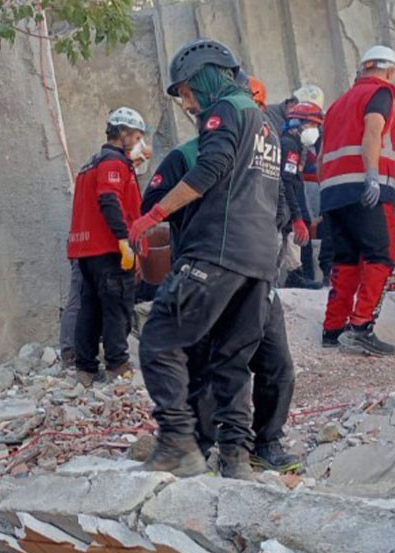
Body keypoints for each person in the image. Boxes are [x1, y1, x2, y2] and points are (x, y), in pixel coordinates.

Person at [130, 38, 282, 479]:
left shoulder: (226, 112)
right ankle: (235, 458)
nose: (189, 103)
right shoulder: (265, 122)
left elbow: (209, 169)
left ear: (207, 76)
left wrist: (155, 215)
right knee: (232, 360)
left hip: (216, 250)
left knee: (160, 338)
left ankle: (177, 442)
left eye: (188, 91)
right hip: (257, 262)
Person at [142, 135, 299, 474]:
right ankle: (200, 445)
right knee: (212, 365)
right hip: (207, 273)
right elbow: (152, 202)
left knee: (277, 365)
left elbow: (283, 211)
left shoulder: (264, 161)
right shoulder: (186, 156)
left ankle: (266, 443)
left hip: (257, 276)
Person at [319, 45, 395, 356]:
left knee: (345, 259)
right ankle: (361, 328)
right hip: (364, 189)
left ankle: (333, 329)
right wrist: (372, 176)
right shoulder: (382, 93)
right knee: (381, 257)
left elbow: (322, 152)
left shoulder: (338, 103)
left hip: (333, 192)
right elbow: (373, 132)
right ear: (390, 71)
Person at [67, 107, 146, 386]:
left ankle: (85, 368)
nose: (138, 142)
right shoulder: (113, 164)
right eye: (136, 136)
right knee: (117, 307)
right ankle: (117, 365)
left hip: (85, 250)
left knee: (90, 308)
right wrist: (125, 240)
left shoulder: (90, 164)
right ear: (122, 133)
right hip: (109, 249)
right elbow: (109, 200)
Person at [280, 102, 326, 289]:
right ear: (297, 123)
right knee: (286, 236)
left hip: (283, 205)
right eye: (311, 125)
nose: (315, 130)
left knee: (289, 238)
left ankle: (295, 274)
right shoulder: (289, 146)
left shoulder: (296, 146)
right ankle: (292, 276)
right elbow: (287, 182)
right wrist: (297, 216)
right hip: (280, 205)